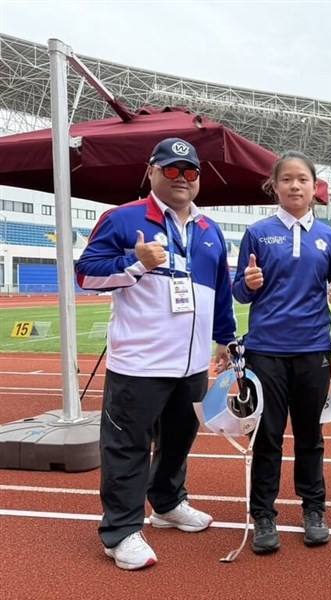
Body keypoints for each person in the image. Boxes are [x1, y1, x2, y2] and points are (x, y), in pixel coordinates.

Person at [75, 137, 236, 570]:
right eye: (172, 170)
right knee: (127, 447)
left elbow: (219, 293)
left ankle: (166, 502)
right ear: (152, 171)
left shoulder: (209, 231)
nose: (182, 179)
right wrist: (136, 263)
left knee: (179, 440)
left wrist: (227, 339)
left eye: (190, 173)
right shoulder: (123, 219)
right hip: (139, 363)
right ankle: (121, 531)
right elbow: (85, 275)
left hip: (192, 364)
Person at [232, 151, 331, 554]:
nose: (295, 186)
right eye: (287, 180)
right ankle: (263, 515)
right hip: (266, 350)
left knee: (310, 436)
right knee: (267, 436)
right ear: (275, 186)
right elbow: (240, 290)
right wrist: (248, 283)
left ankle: (313, 510)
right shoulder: (258, 233)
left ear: (314, 187)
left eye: (302, 179)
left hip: (314, 349)